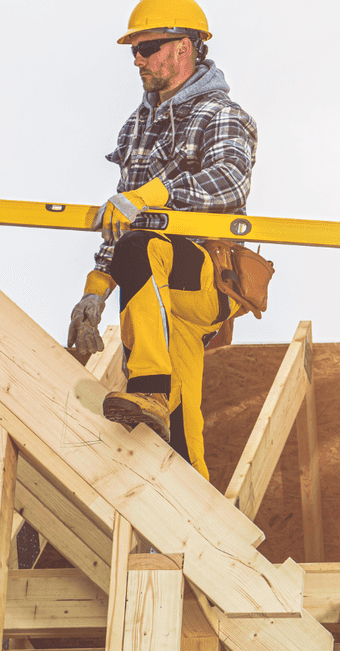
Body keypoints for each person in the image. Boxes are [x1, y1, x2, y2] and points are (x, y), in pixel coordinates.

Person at [66, 0, 258, 482]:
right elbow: (122, 220)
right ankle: (203, 524)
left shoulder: (222, 114)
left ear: (185, 48)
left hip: (207, 278)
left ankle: (150, 385)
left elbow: (230, 183)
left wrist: (153, 195)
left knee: (142, 245)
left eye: (148, 48)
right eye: (134, 49)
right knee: (174, 428)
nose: (138, 59)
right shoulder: (136, 127)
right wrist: (96, 290)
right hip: (153, 294)